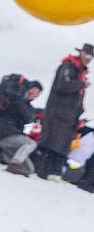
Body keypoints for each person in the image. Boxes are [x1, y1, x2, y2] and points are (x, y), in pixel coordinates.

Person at [36, 43, 92, 181]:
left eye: (92, 56)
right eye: (87, 55)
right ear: (81, 53)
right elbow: (63, 85)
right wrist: (81, 84)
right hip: (57, 113)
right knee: (50, 142)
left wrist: (79, 110)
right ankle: (40, 169)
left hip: (68, 116)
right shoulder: (69, 66)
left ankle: (53, 172)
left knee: (61, 145)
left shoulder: (80, 71)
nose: (89, 59)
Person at [0, 80, 43, 176]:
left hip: (12, 141)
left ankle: (1, 155)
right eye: (35, 90)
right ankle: (14, 162)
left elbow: (28, 118)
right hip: (2, 134)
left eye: (38, 93)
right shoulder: (11, 98)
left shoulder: (26, 106)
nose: (35, 94)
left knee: (29, 170)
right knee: (31, 143)